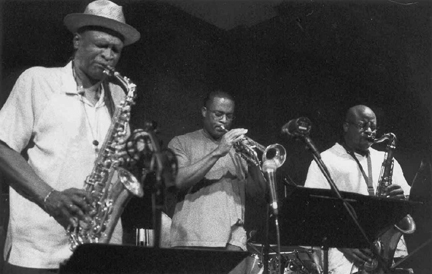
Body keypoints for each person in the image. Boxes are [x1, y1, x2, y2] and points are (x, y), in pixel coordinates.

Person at [0, 1, 140, 273]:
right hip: (38, 250)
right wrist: (49, 197)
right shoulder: (38, 80)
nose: (108, 55)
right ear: (78, 41)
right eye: (101, 45)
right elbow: (2, 147)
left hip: (97, 247)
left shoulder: (119, 96)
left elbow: (119, 166)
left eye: (115, 49)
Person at [167, 90, 267, 273]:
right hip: (192, 240)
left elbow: (259, 196)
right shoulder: (181, 142)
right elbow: (178, 181)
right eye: (218, 114)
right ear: (204, 111)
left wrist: (254, 163)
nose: (223, 121)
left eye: (229, 116)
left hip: (233, 243)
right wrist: (218, 151)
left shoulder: (238, 149)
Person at [304, 105, 411, 274]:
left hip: (387, 258)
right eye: (363, 126)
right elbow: (312, 212)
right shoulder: (325, 160)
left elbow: (407, 207)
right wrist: (341, 242)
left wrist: (401, 199)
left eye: (373, 127)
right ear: (346, 126)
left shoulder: (385, 159)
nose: (370, 131)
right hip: (344, 260)